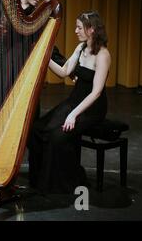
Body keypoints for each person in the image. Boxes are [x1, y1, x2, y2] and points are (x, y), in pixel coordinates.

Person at [27, 11, 110, 194]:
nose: (75, 31)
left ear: (91, 30)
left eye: (79, 27)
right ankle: (39, 178)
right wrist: (44, 56)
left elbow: (96, 93)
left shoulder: (103, 55)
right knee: (37, 129)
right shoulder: (80, 48)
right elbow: (64, 72)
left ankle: (62, 182)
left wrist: (73, 115)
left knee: (57, 136)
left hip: (91, 108)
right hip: (74, 101)